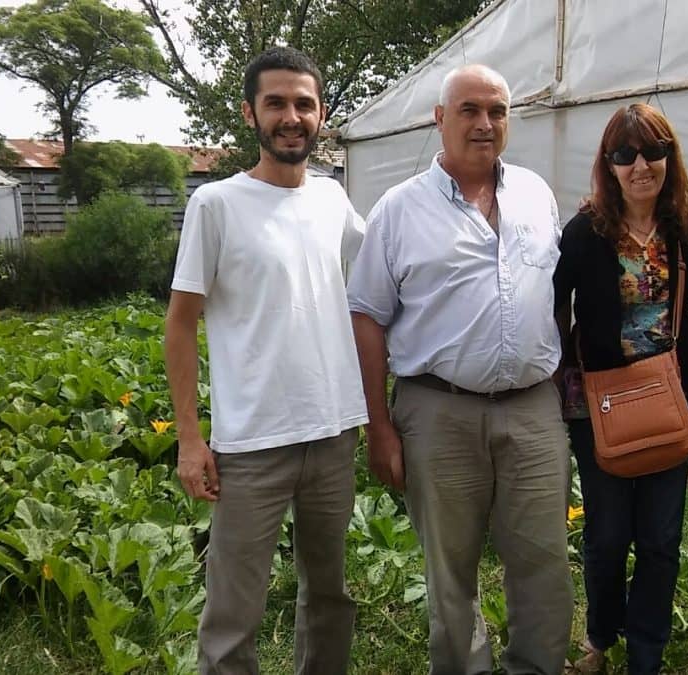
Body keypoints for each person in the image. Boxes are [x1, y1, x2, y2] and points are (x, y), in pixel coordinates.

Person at [347, 64, 573, 675]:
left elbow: (554, 296)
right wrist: (379, 426)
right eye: (469, 110)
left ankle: (535, 666)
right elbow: (365, 315)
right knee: (450, 569)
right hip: (437, 409)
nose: (485, 123)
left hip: (531, 408)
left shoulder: (535, 193)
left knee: (544, 560)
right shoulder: (398, 210)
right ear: (439, 119)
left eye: (497, 111)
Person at [164, 46, 367, 675]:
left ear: (322, 114)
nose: (291, 116)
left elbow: (374, 282)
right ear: (252, 113)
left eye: (303, 104)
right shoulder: (217, 204)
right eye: (276, 102)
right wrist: (190, 439)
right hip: (251, 443)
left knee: (329, 596)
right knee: (233, 611)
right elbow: (179, 324)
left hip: (332, 433)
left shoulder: (334, 200)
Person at [552, 103, 688, 675]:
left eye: (652, 151)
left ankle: (647, 652)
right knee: (609, 536)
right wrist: (564, 377)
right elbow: (554, 305)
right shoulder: (585, 231)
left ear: (669, 157)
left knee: (662, 539)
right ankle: (601, 636)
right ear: (609, 165)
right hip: (600, 404)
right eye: (625, 154)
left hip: (667, 398)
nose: (640, 165)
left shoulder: (685, 229)